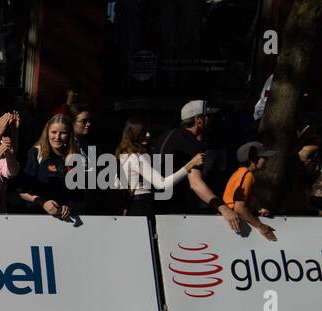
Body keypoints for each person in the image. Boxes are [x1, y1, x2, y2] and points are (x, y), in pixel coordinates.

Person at [153, 99, 241, 231]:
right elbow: (196, 184)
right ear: (199, 120)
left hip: (153, 209)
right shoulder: (190, 142)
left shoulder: (164, 137)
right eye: (209, 117)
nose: (213, 121)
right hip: (175, 214)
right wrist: (223, 208)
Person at [113, 117, 202, 218]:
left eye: (148, 131)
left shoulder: (123, 155)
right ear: (134, 134)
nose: (148, 135)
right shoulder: (136, 157)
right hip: (143, 206)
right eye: (143, 132)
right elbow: (161, 184)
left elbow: (116, 184)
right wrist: (189, 165)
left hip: (132, 207)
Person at [18, 113, 78, 220]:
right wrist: (43, 203)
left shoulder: (73, 157)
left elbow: (75, 195)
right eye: (53, 132)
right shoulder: (36, 154)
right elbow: (21, 191)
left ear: (69, 135)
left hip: (64, 220)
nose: (57, 137)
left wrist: (66, 206)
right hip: (35, 216)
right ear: (47, 132)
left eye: (63, 133)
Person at [222, 141, 278, 240]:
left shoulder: (238, 173)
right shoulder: (247, 175)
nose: (267, 160)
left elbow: (237, 203)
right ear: (253, 159)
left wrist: (255, 211)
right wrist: (261, 226)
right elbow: (239, 208)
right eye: (264, 157)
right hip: (234, 228)